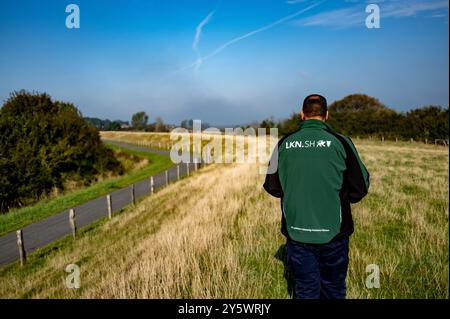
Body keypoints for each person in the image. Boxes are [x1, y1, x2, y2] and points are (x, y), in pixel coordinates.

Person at [263, 94, 370, 299]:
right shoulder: (341, 142)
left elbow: (273, 187)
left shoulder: (284, 143)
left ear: (302, 114)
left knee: (305, 289)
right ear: (326, 115)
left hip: (296, 231)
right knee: (333, 288)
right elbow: (360, 187)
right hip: (334, 233)